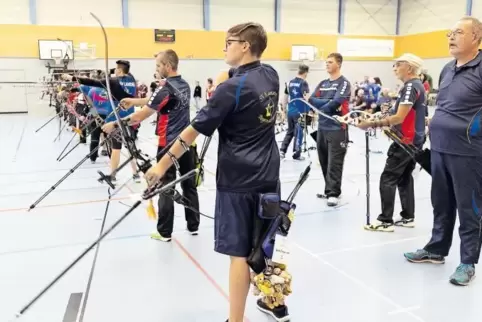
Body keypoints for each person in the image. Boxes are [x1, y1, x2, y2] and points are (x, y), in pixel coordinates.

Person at [144, 22, 287, 322]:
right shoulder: (270, 75)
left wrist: (161, 165)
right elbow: (238, 76)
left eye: (228, 42)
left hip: (237, 180)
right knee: (263, 242)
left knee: (239, 254)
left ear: (244, 46)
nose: (224, 48)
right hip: (269, 174)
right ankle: (274, 302)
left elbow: (191, 133)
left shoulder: (229, 91)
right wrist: (223, 80)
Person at [404, 16, 482, 286]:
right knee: (441, 203)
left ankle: (468, 261)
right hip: (438, 147)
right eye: (450, 33)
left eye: (458, 33)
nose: (451, 37)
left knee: (469, 208)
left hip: (469, 152)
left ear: (475, 37)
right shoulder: (447, 69)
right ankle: (437, 249)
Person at [106, 50, 201, 241]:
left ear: (167, 65)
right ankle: (193, 225)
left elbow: (140, 116)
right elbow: (158, 101)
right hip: (187, 144)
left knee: (165, 186)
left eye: (158, 66)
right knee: (189, 185)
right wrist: (134, 101)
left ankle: (164, 232)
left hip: (168, 146)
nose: (157, 70)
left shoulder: (164, 88)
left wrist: (114, 124)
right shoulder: (184, 85)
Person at [357, 53, 426, 232]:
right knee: (404, 178)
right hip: (413, 140)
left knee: (388, 177)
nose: (394, 68)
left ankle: (385, 220)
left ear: (409, 67)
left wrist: (372, 124)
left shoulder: (411, 87)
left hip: (406, 141)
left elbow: (399, 117)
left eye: (398, 65)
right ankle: (407, 216)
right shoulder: (414, 85)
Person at [63, 60, 140, 183]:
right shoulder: (132, 81)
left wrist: (71, 77)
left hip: (116, 120)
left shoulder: (113, 82)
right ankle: (136, 174)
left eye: (116, 69)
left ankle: (113, 175)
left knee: (116, 148)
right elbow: (123, 73)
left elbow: (92, 82)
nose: (114, 71)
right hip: (130, 119)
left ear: (119, 70)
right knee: (131, 147)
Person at [306, 53, 351, 207]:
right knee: (324, 160)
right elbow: (311, 99)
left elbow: (337, 102)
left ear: (338, 64)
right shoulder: (323, 83)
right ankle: (328, 189)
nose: (327, 64)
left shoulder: (343, 83)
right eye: (326, 62)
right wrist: (327, 102)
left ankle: (334, 193)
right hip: (322, 127)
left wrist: (323, 106)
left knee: (335, 162)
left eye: (330, 62)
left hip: (338, 128)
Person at [280, 64, 310, 160]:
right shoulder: (303, 83)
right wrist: (310, 110)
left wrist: (284, 111)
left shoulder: (289, 83)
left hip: (290, 111)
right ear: (305, 73)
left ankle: (282, 151)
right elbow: (307, 98)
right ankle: (296, 154)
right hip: (300, 112)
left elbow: (284, 98)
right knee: (299, 132)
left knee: (290, 131)